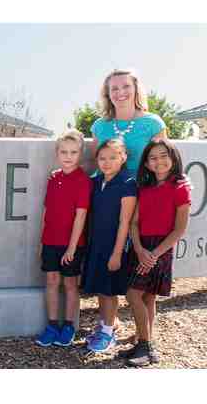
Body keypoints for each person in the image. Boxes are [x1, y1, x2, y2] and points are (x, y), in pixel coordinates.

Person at [89, 68, 167, 334]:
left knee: (144, 268)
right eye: (114, 88)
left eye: (125, 86)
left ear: (135, 89)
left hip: (146, 202)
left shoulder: (153, 123)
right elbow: (96, 166)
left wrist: (179, 183)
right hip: (110, 204)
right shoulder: (100, 126)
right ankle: (109, 324)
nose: (120, 92)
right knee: (109, 260)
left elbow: (164, 161)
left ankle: (144, 335)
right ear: (107, 94)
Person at [122, 139, 191, 366]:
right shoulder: (145, 187)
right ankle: (145, 340)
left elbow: (179, 230)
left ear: (173, 158)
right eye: (153, 157)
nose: (158, 161)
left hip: (161, 249)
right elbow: (134, 223)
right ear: (146, 163)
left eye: (163, 156)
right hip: (141, 246)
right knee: (146, 297)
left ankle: (146, 347)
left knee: (133, 295)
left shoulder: (180, 188)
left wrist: (153, 255)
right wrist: (139, 248)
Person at [35, 130, 92, 347]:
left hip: (72, 245)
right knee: (51, 282)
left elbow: (81, 215)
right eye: (64, 152)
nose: (68, 156)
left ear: (80, 154)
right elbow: (46, 211)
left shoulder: (83, 181)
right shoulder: (53, 178)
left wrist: (72, 247)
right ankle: (52, 326)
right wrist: (42, 241)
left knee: (70, 284)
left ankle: (68, 326)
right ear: (57, 153)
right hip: (51, 241)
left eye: (73, 152)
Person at [82, 139, 137, 353]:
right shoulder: (96, 181)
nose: (107, 162)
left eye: (113, 157)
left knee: (109, 290)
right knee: (100, 287)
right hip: (96, 243)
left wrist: (117, 253)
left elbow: (125, 222)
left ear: (123, 158)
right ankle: (106, 324)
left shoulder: (127, 183)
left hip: (114, 246)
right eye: (102, 158)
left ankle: (108, 333)